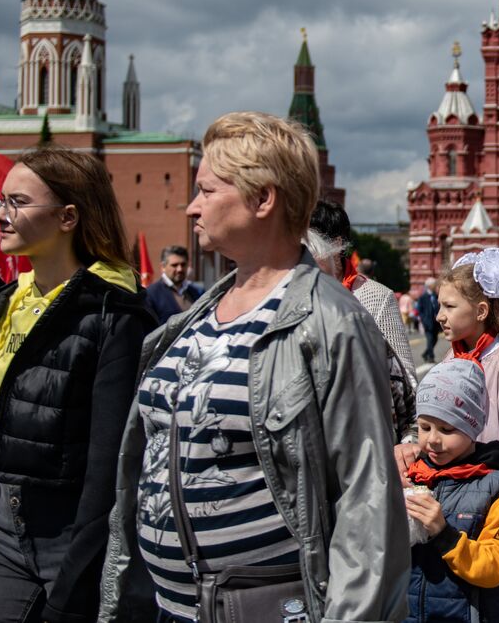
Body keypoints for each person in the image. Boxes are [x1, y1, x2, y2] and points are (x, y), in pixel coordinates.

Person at [98, 111, 411, 621]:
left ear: (263, 199)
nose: (190, 206)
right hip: (168, 607)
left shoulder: (329, 319)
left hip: (265, 606)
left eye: (207, 190)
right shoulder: (191, 318)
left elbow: (367, 497)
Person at [0, 147, 153, 623]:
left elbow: (111, 465)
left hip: (72, 536)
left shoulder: (114, 314)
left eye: (16, 202)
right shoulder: (2, 302)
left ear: (68, 217)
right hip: (5, 525)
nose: (0, 214)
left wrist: (79, 573)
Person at [400, 248, 499, 623]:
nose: (438, 316)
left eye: (449, 307)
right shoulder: (449, 364)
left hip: (496, 511)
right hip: (451, 512)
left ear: (481, 311)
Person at [404, 358, 499, 623]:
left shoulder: (497, 489)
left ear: (472, 426)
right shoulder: (413, 476)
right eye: (424, 427)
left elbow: (498, 566)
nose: (433, 439)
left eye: (446, 429)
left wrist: (445, 535)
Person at [307, 199, 418, 440]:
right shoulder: (294, 296)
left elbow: (407, 380)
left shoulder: (374, 297)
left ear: (335, 246)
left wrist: (407, 444)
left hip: (370, 435)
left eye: (309, 246)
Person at [144, 244, 204, 327]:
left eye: (183, 264)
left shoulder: (195, 292)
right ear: (163, 267)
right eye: (174, 265)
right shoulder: (151, 294)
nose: (180, 269)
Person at [418, 277, 442, 361]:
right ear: (429, 286)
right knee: (430, 339)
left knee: (435, 339)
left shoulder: (436, 296)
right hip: (427, 322)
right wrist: (423, 319)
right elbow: (420, 310)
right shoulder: (423, 297)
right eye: (434, 285)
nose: (435, 286)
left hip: (436, 322)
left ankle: (425, 353)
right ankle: (431, 357)